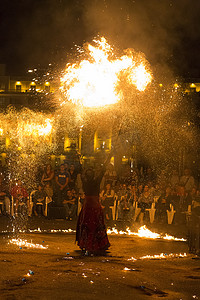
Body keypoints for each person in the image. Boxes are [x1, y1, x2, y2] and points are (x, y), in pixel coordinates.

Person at [76, 154, 112, 255]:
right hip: (95, 204)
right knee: (96, 224)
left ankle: (85, 244)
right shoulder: (96, 181)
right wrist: (109, 157)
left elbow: (81, 170)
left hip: (88, 205)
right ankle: (98, 244)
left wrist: (79, 160)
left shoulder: (85, 181)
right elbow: (103, 170)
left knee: (87, 224)